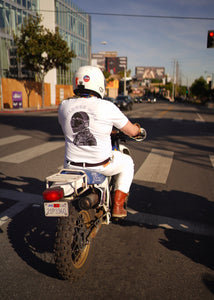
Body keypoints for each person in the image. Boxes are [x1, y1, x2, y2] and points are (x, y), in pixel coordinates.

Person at [58, 65, 146, 218]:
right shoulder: (107, 106)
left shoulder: (63, 106)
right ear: (100, 84)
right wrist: (139, 132)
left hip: (71, 166)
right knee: (127, 163)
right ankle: (118, 206)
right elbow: (131, 131)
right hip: (100, 166)